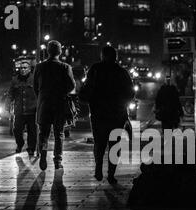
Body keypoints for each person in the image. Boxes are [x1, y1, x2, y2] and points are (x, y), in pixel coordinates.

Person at [79, 46, 134, 184]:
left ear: (102, 56)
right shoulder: (121, 72)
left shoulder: (95, 69)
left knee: (99, 143)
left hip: (98, 113)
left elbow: (87, 89)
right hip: (117, 114)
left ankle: (98, 168)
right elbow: (130, 93)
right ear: (115, 56)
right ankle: (111, 174)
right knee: (114, 145)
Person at [33, 40, 76, 171]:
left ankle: (43, 152)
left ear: (47, 51)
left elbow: (35, 87)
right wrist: (62, 92)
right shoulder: (65, 67)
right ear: (60, 52)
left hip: (44, 104)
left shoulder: (39, 67)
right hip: (59, 104)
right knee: (59, 133)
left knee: (43, 133)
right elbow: (72, 85)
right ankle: (57, 160)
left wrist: (42, 97)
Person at [7, 60, 37, 156]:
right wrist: (7, 104)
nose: (23, 70)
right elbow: (10, 94)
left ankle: (31, 148)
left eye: (25, 68)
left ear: (29, 69)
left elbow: (40, 92)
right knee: (16, 130)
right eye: (21, 68)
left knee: (32, 132)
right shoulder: (15, 80)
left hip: (32, 111)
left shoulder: (35, 79)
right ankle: (20, 144)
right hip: (19, 111)